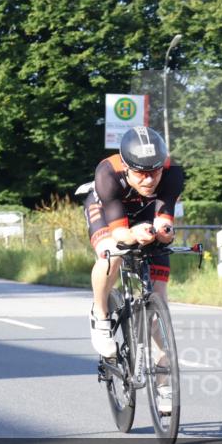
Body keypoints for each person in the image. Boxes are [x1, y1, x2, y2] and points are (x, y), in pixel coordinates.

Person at [83, 127, 183, 372]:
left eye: (154, 172)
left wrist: (164, 232)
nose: (148, 180)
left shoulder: (172, 172)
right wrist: (133, 235)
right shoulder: (108, 173)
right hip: (106, 211)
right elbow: (120, 234)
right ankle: (100, 314)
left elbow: (164, 219)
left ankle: (164, 378)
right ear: (127, 167)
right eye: (140, 173)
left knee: (159, 295)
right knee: (112, 252)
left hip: (144, 211)